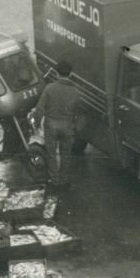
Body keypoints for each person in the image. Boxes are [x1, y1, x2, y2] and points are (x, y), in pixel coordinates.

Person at [33, 61, 82, 189]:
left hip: (51, 124)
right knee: (66, 154)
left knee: (51, 154)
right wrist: (74, 125)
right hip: (67, 125)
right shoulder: (75, 92)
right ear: (70, 74)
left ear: (56, 73)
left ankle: (54, 181)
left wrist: (37, 124)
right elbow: (77, 111)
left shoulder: (49, 88)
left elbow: (40, 109)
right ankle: (64, 181)